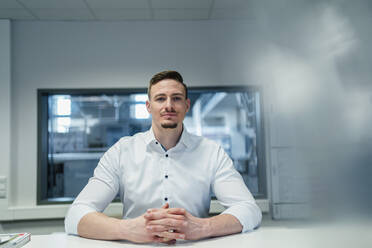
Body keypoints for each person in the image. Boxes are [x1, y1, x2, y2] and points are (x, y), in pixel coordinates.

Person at [64, 71, 262, 244]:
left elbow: (249, 209)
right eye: (160, 98)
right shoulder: (121, 151)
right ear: (149, 106)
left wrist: (203, 227)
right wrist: (127, 229)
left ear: (186, 105)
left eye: (176, 98)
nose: (169, 105)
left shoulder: (211, 152)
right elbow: (75, 215)